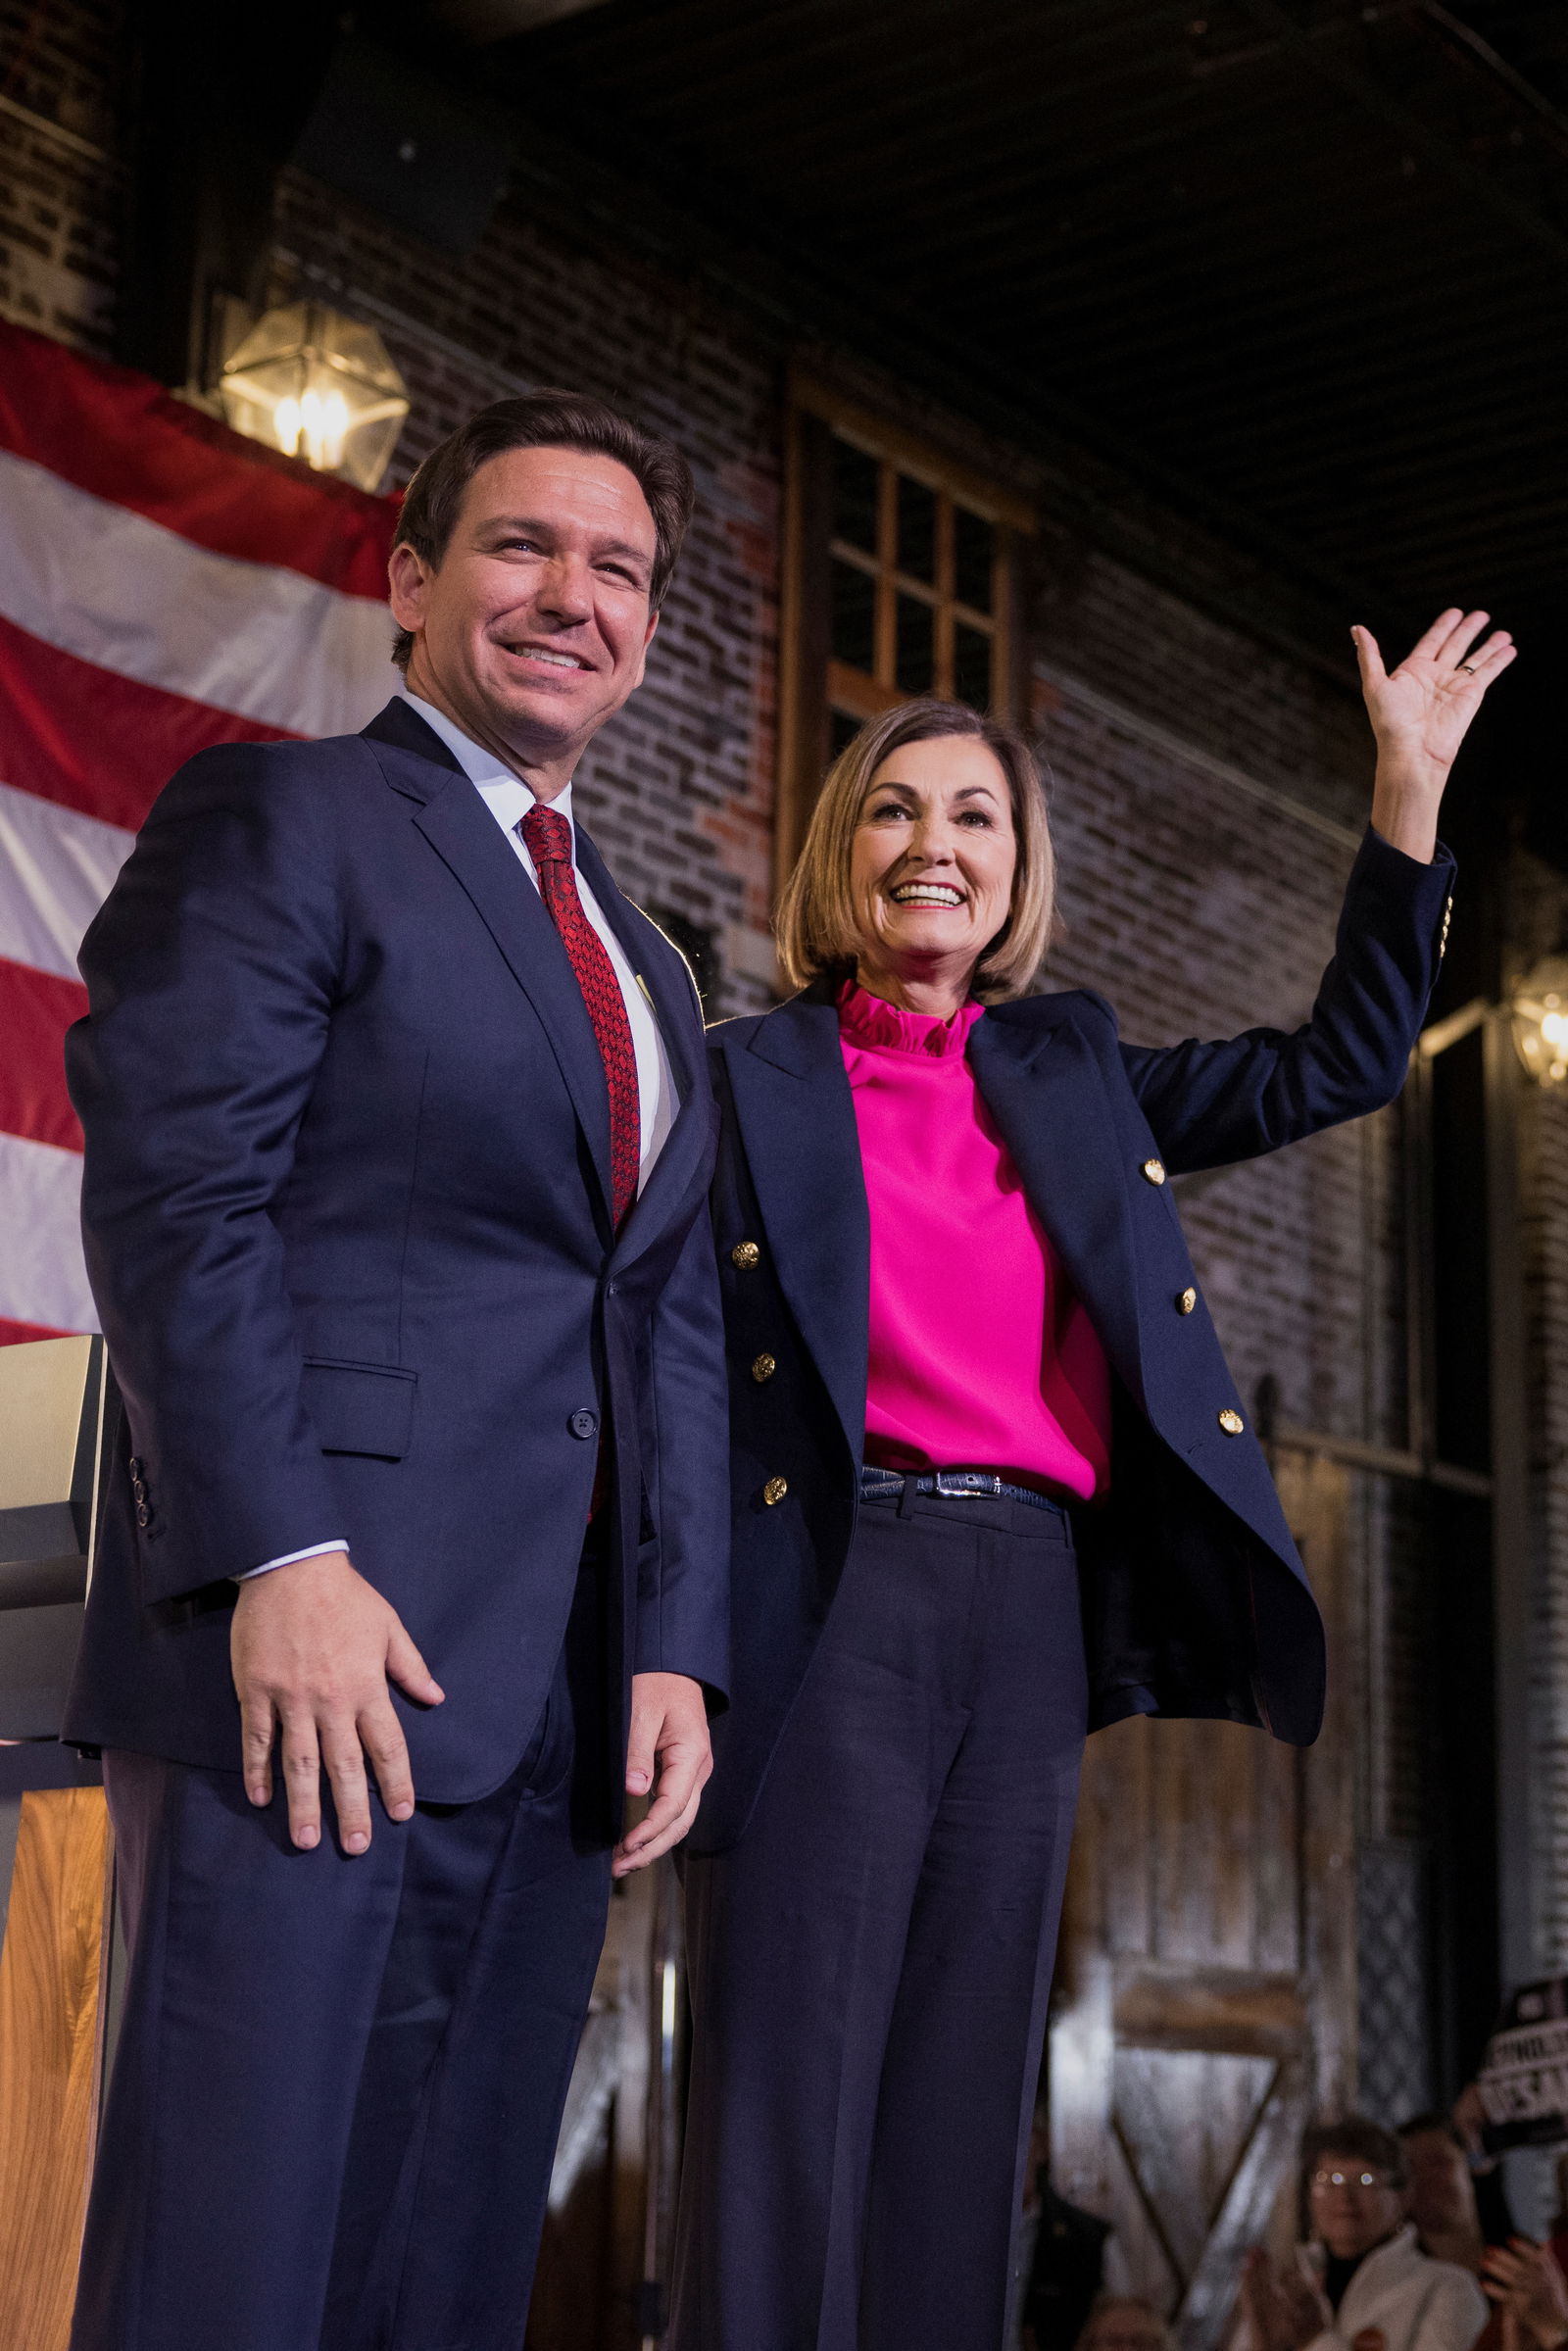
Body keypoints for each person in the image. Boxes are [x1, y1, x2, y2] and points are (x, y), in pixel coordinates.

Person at [669, 606, 1515, 2351]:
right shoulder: (743, 1076)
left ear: (1014, 870)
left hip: (1029, 1603)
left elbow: (1341, 1063)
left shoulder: (1065, 1073)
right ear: (848, 851)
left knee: (970, 2090)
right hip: (832, 1585)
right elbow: (672, 1364)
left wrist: (1407, 798)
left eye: (976, 816)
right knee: (788, 2072)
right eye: (900, 808)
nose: (937, 845)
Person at [63, 392, 729, 2351]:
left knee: (438, 2258)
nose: (570, 598)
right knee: (233, 2248)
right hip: (317, 1655)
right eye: (522, 547)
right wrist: (279, 1553)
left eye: (617, 570)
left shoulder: (652, 954)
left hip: (551, 1713)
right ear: (413, 576)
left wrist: (673, 1636)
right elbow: (184, 1200)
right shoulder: (286, 815)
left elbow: (661, 1307)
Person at [1244, 2119, 1488, 2351]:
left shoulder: (1446, 2288)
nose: (1344, 2197)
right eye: (1330, 2180)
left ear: (1402, 2198)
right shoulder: (1287, 2281)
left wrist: (1315, 2338)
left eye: (1364, 2179)